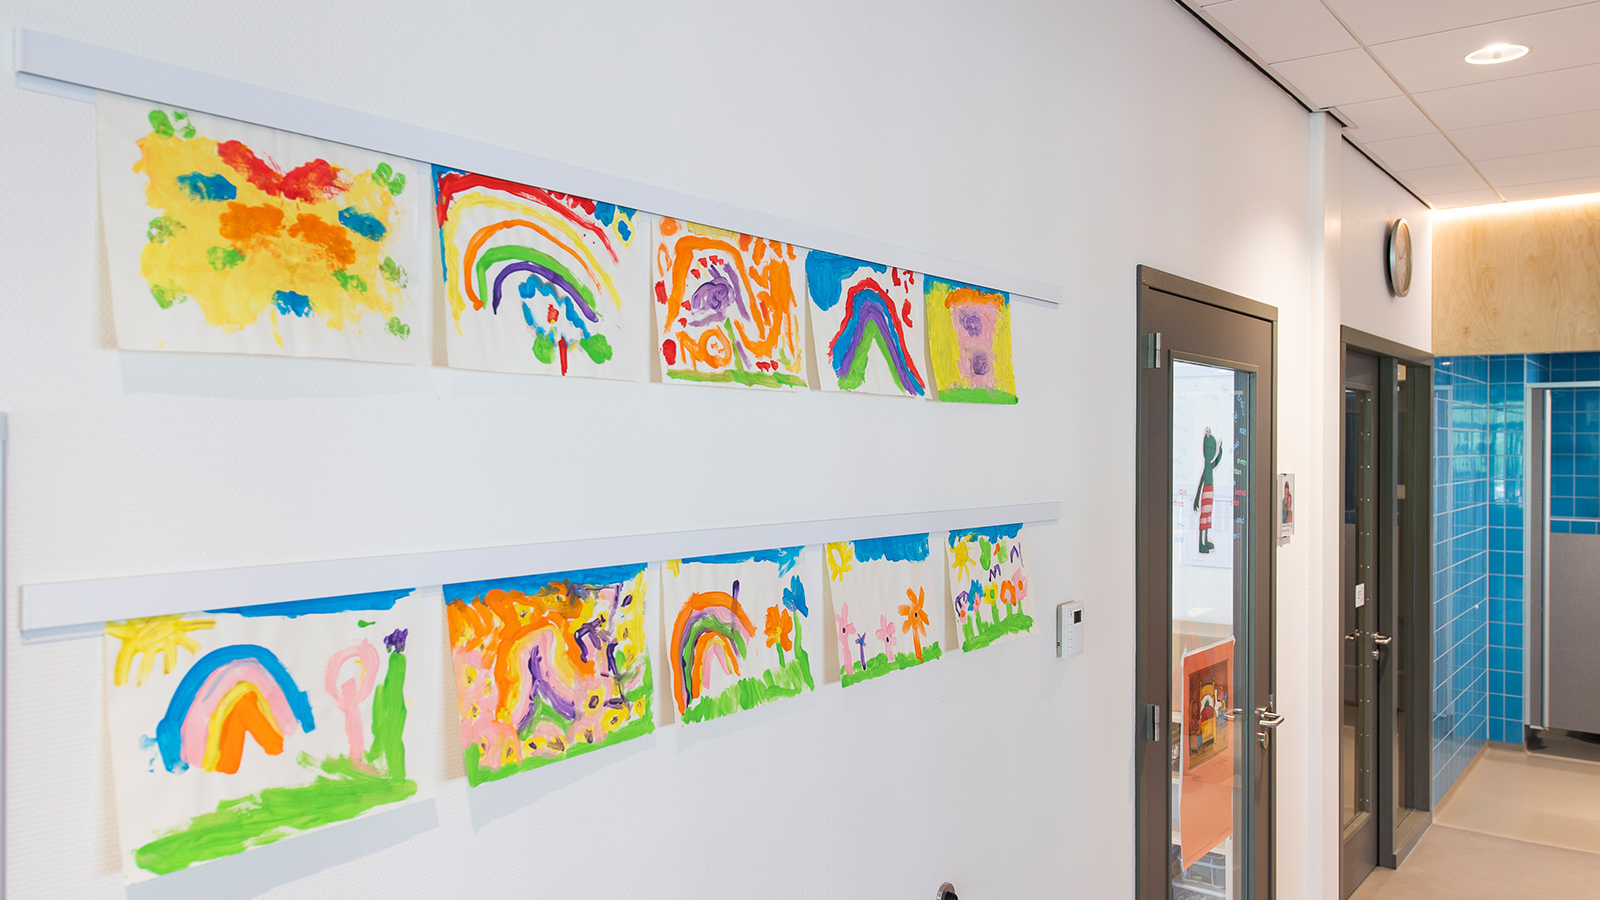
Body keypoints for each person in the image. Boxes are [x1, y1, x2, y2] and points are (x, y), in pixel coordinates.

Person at [1193, 427, 1221, 553]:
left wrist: (1220, 451)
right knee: (1204, 517)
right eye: (1210, 448)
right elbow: (1200, 484)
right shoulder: (1206, 469)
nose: (1211, 451)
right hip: (1206, 493)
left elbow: (1216, 462)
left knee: (1208, 516)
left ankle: (1205, 540)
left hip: (1210, 493)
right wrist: (1196, 500)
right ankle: (1201, 543)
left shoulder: (1209, 466)